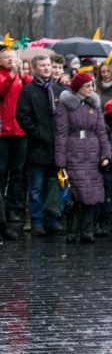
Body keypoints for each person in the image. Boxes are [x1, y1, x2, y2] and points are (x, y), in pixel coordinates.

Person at [55, 72, 110, 244]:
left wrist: (105, 153)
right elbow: (61, 132)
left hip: (92, 151)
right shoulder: (66, 104)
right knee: (75, 192)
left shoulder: (94, 102)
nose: (91, 89)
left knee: (91, 192)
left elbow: (101, 130)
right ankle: (72, 231)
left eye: (92, 85)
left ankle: (87, 231)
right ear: (79, 87)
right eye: (87, 86)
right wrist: (61, 159)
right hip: (74, 151)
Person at [15, 54, 66, 237]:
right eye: (42, 65)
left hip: (56, 147)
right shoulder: (28, 91)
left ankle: (51, 219)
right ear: (34, 68)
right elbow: (22, 116)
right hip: (37, 146)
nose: (46, 68)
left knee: (54, 186)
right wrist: (38, 133)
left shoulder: (59, 90)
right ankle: (36, 221)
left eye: (48, 65)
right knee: (36, 187)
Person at [0, 47, 30, 224]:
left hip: (20, 131)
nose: (10, 59)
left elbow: (32, 89)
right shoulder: (4, 76)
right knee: (2, 172)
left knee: (18, 172)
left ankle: (13, 208)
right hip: (3, 132)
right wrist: (12, 75)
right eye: (6, 57)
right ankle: (2, 210)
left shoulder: (20, 76)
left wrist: (22, 73)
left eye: (13, 56)